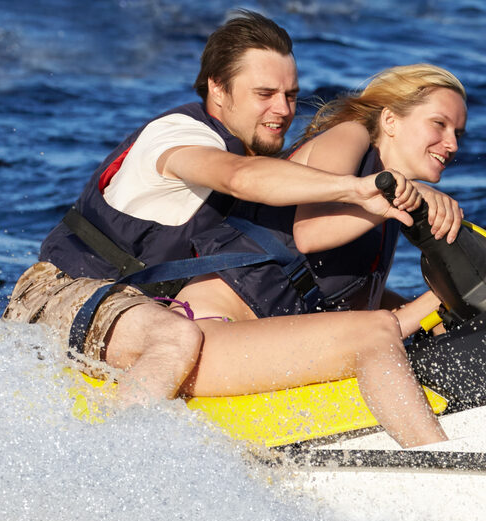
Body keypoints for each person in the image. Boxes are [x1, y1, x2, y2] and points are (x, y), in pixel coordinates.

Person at [3, 10, 448, 447]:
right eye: (265, 93)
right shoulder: (179, 135)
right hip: (61, 295)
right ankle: (110, 461)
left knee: (179, 331)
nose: (283, 110)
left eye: (291, 95)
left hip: (144, 313)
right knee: (176, 336)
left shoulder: (261, 162)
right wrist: (357, 190)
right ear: (217, 88)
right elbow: (236, 177)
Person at [177, 63, 468, 339]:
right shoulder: (350, 136)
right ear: (390, 120)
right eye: (439, 124)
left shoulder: (389, 212)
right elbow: (310, 234)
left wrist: (439, 316)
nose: (452, 144)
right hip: (210, 323)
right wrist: (443, 295)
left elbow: (360, 303)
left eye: (457, 134)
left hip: (266, 338)